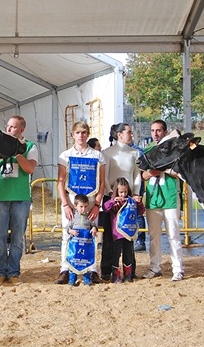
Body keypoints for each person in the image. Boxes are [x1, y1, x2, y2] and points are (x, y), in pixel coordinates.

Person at [55, 121, 105, 284]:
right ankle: (65, 269)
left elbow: (102, 182)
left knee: (92, 235)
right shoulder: (65, 155)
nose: (81, 135)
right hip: (72, 200)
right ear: (72, 135)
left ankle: (92, 270)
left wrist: (97, 204)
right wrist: (65, 204)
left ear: (87, 134)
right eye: (78, 133)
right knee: (67, 234)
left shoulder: (97, 155)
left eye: (84, 132)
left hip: (90, 201)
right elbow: (61, 180)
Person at [0, 115, 38, 285]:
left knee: (17, 239)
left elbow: (30, 168)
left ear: (21, 130)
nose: (9, 129)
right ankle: (0, 271)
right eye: (8, 126)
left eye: (13, 127)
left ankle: (14, 272)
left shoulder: (30, 147)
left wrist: (17, 153)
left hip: (21, 198)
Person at [141, 120, 184, 281]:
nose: (155, 134)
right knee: (154, 235)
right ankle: (155, 267)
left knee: (173, 234)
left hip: (170, 196)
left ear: (165, 132)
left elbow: (179, 172)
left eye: (158, 130)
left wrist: (163, 168)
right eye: (153, 130)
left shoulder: (174, 151)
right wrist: (151, 173)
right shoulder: (148, 150)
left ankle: (178, 269)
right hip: (153, 197)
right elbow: (143, 174)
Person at [99, 123, 142, 281]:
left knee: (129, 235)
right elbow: (104, 175)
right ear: (119, 135)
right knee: (110, 237)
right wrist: (111, 194)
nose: (131, 135)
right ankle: (106, 269)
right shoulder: (107, 153)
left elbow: (137, 175)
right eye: (129, 132)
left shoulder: (135, 153)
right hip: (112, 198)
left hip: (129, 199)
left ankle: (130, 269)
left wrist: (135, 193)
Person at [103, 177, 145, 283]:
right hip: (117, 233)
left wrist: (138, 202)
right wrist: (113, 201)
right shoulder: (114, 201)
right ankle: (116, 275)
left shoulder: (130, 201)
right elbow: (105, 208)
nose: (123, 194)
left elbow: (141, 211)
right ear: (116, 191)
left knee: (128, 253)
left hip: (129, 233)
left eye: (125, 192)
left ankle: (128, 275)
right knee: (116, 254)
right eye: (121, 192)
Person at [65, 194, 98, 286]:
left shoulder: (89, 217)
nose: (83, 209)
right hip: (75, 245)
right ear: (75, 206)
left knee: (85, 260)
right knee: (73, 260)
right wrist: (71, 231)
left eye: (86, 207)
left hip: (86, 244)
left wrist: (94, 229)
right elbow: (67, 229)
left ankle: (86, 279)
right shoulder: (73, 217)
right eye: (81, 207)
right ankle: (72, 279)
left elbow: (94, 226)